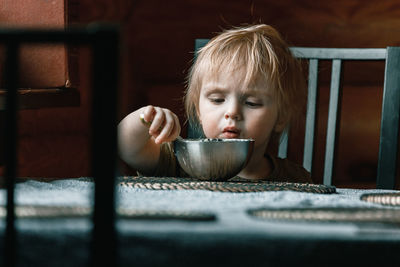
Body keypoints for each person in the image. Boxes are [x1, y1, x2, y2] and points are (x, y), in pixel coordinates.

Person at [118, 24, 312, 183]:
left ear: (281, 117)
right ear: (198, 109)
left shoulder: (295, 179)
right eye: (218, 100)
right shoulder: (179, 161)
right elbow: (124, 144)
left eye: (252, 103)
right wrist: (146, 118)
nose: (232, 112)